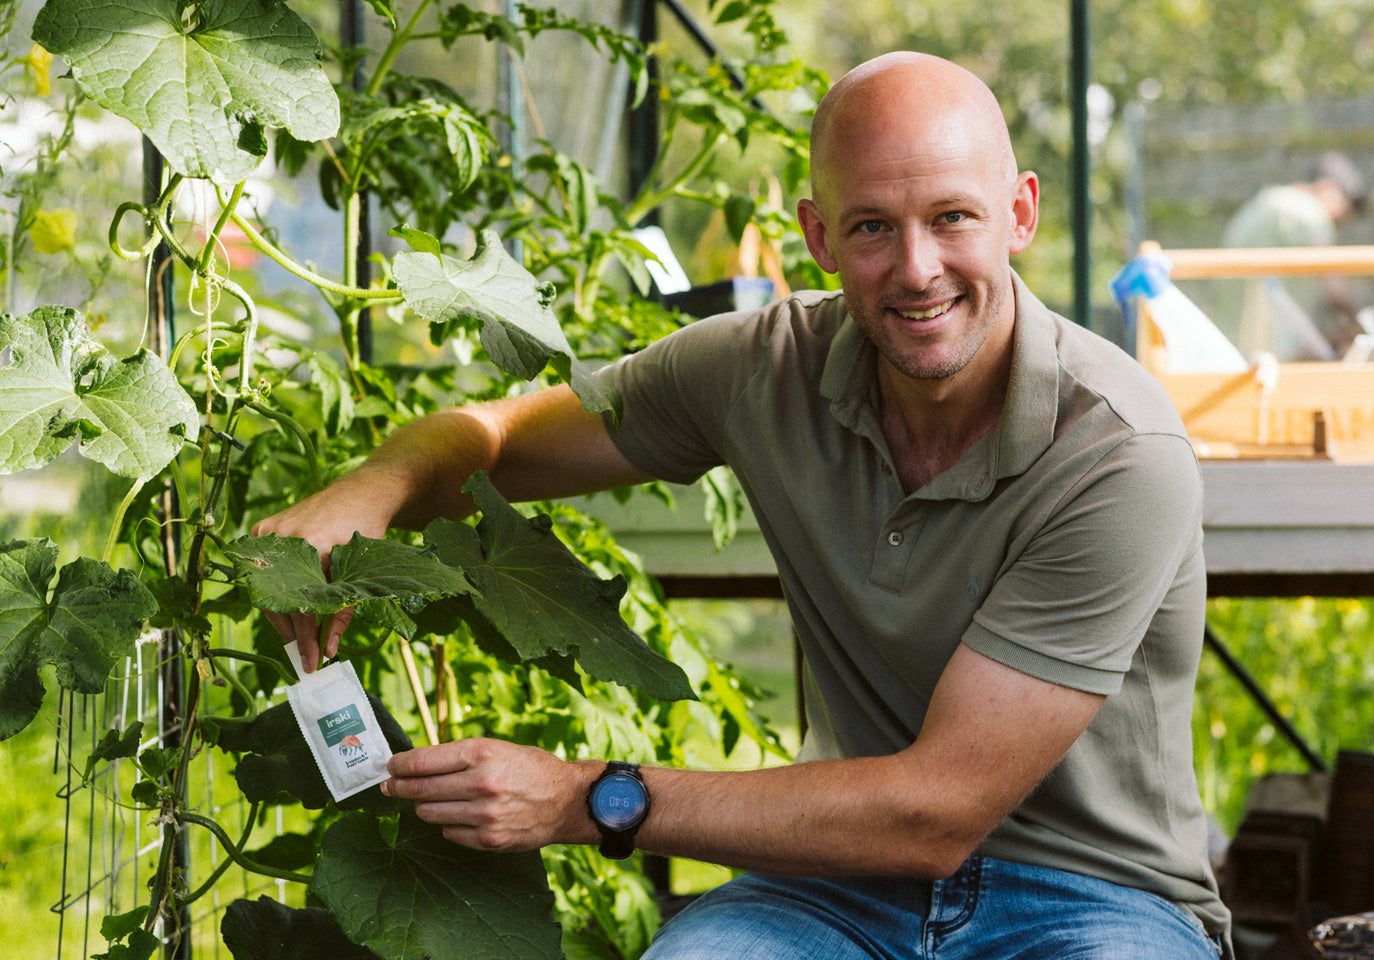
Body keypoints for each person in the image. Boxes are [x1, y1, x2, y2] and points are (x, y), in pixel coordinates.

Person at [255, 52, 1231, 959]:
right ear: (817, 237)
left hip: (1099, 898)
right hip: (840, 887)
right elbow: (499, 435)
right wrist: (370, 491)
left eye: (953, 218)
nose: (917, 268)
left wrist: (585, 798)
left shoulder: (1115, 452)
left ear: (1020, 214)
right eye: (872, 228)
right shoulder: (763, 368)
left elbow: (937, 811)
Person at [1218, 152, 1370, 360]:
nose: (1336, 226)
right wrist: (1358, 327)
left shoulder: (1267, 203)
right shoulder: (1306, 211)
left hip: (1234, 343)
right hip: (1263, 355)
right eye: (1340, 219)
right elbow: (1335, 288)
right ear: (1328, 189)